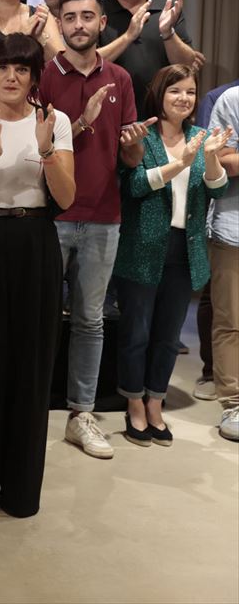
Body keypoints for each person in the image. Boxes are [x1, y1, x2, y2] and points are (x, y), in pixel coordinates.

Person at [0, 32, 75, 517]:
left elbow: (66, 198)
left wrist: (45, 151)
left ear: (33, 77)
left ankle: (22, 492)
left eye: (21, 69)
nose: (11, 76)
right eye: (3, 67)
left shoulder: (54, 121)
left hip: (35, 244)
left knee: (31, 365)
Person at [38, 0, 151, 460]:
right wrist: (81, 122)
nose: (79, 24)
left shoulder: (121, 78)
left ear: (102, 22)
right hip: (52, 216)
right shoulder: (43, 76)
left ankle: (80, 414)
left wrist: (131, 143)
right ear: (59, 26)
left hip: (105, 217)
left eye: (88, 16)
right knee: (40, 321)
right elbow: (39, 147)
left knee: (89, 322)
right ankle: (28, 410)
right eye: (71, 17)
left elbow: (130, 156)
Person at [113, 65, 230, 448]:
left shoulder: (201, 136)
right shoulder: (141, 136)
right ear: (159, 94)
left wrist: (210, 157)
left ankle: (156, 404)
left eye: (191, 92)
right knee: (137, 332)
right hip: (141, 246)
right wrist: (178, 164)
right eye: (176, 90)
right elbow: (133, 186)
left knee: (167, 337)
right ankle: (133, 404)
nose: (184, 98)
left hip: (185, 248)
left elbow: (215, 188)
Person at [98, 0, 203, 118]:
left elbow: (187, 66)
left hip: (161, 117)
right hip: (106, 113)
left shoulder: (168, 9)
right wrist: (128, 37)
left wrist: (168, 33)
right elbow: (84, 64)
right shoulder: (96, 11)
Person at [206, 86, 239, 441]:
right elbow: (222, 160)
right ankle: (233, 403)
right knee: (231, 320)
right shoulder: (233, 100)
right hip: (234, 228)